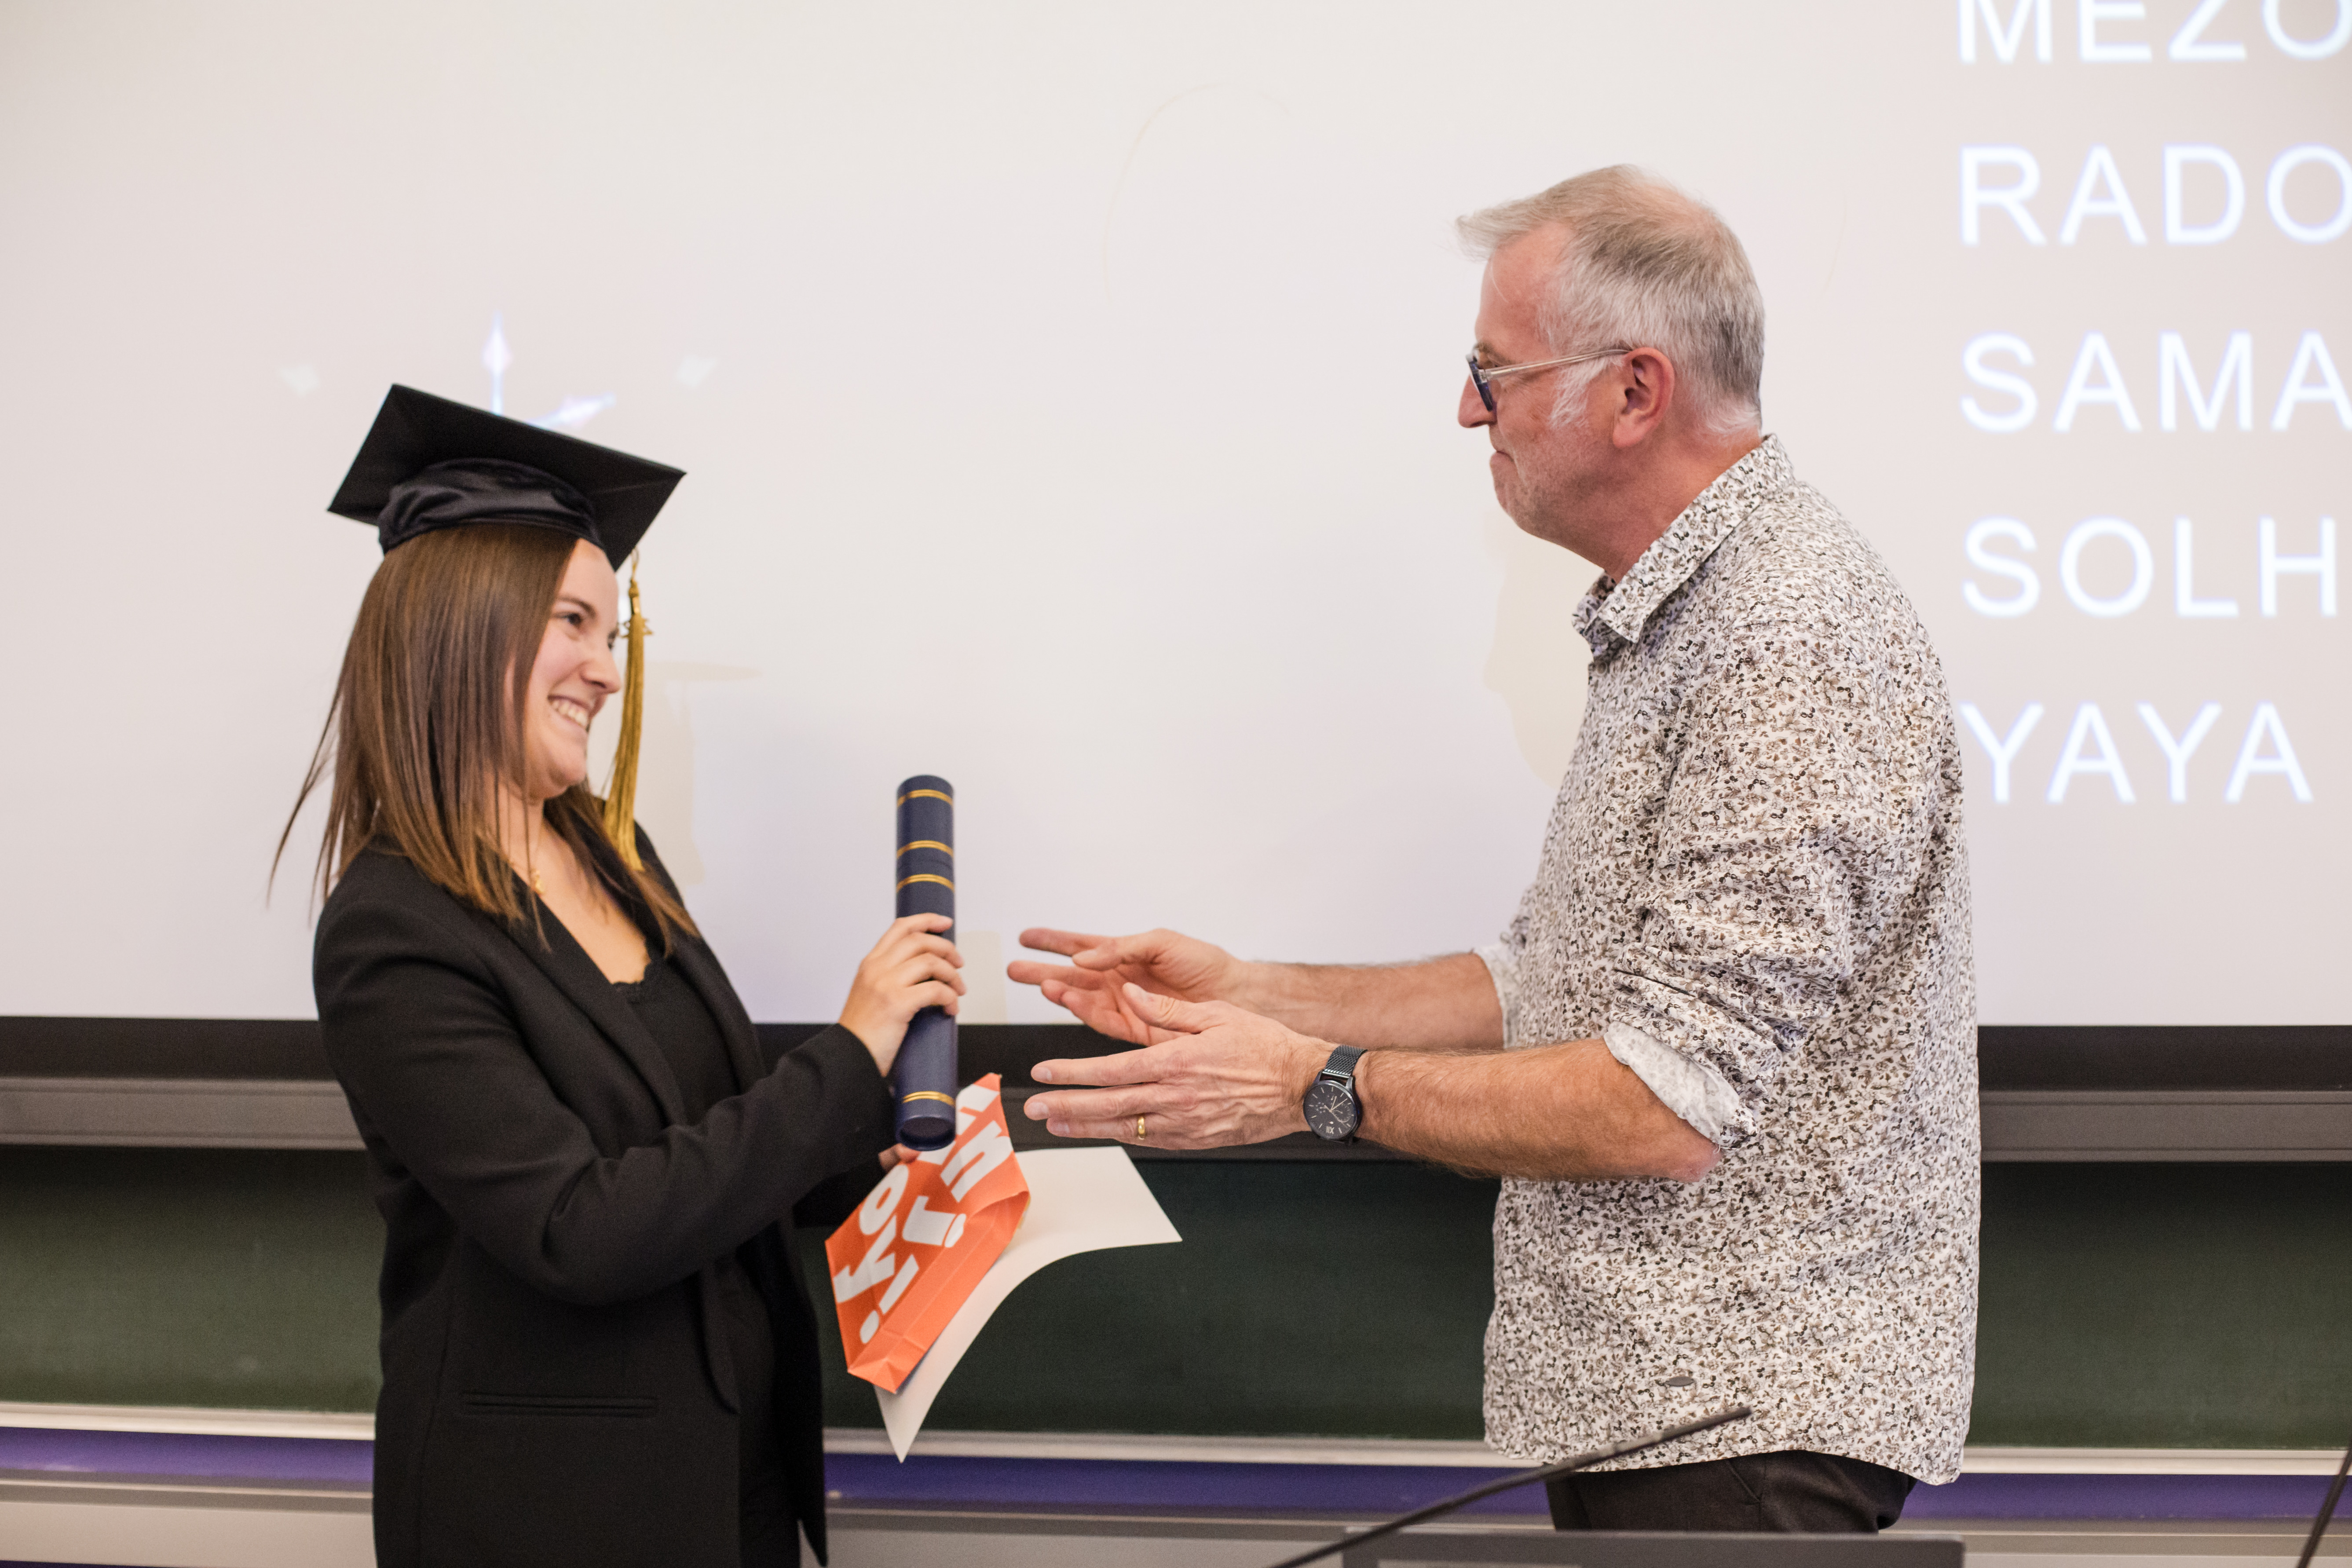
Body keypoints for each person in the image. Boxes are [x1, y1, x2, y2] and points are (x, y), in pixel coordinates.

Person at [1011, 168, 1978, 1533]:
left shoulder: (1787, 642)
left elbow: (1660, 1106)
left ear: (1634, 393)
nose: (1470, 409)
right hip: (1673, 1416)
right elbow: (1544, 983)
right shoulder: (1683, 619)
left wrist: (1314, 1086)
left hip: (1743, 1426)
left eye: (1494, 372)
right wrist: (1250, 995)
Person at [282, 385, 958, 1568]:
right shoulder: (389, 932)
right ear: (458, 629)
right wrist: (846, 1057)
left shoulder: (614, 852)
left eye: (611, 633)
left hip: (728, 1483)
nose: (604, 669)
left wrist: (870, 1153)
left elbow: (701, 1143)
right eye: (572, 624)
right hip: (555, 1515)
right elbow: (579, 1231)